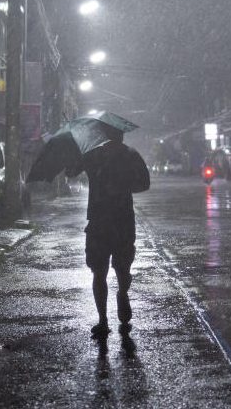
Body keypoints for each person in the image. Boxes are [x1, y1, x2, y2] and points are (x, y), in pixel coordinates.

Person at [68, 124, 150, 339]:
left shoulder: (93, 155)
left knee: (99, 272)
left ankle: (103, 320)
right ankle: (122, 293)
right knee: (122, 268)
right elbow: (144, 184)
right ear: (121, 135)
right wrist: (124, 185)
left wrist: (79, 155)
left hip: (98, 222)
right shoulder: (131, 155)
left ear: (103, 136)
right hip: (122, 221)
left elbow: (71, 172)